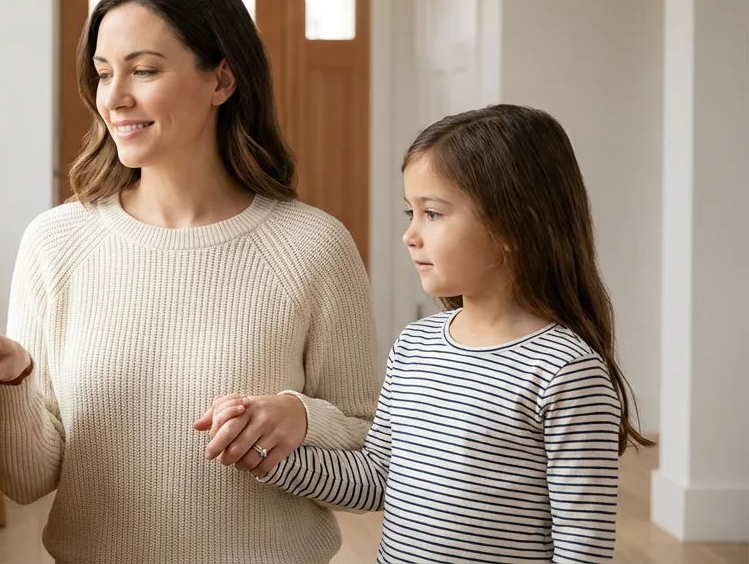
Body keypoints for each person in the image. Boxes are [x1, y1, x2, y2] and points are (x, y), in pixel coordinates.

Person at [0, 0, 382, 563]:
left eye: (145, 70)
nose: (114, 97)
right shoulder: (56, 242)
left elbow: (371, 445)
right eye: (104, 73)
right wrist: (12, 382)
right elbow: (31, 480)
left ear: (222, 80)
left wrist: (299, 417)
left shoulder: (315, 246)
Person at [201, 104, 653, 563]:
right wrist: (265, 456)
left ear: (516, 225)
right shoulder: (415, 346)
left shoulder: (566, 372)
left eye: (433, 213)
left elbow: (584, 548)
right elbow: (375, 479)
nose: (410, 235)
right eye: (409, 212)